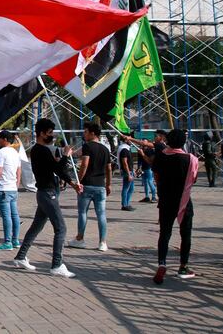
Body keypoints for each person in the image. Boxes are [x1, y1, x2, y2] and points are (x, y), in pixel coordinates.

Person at [13, 118, 83, 277]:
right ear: (42, 133)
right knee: (61, 228)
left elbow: (57, 170)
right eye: (50, 133)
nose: (52, 136)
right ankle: (57, 265)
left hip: (45, 193)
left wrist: (73, 184)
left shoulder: (41, 150)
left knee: (36, 227)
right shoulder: (41, 150)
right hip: (47, 194)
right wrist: (65, 156)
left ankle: (21, 256)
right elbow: (58, 169)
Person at [143, 128, 198, 284]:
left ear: (167, 140)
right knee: (185, 233)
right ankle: (183, 266)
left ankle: (162, 263)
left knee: (165, 233)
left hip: (166, 199)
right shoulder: (191, 159)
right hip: (184, 200)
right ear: (183, 142)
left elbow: (157, 176)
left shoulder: (161, 157)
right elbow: (192, 180)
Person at [68, 123, 112, 251]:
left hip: (87, 184)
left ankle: (80, 238)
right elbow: (109, 168)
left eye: (86, 131)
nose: (84, 134)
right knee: (101, 214)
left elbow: (85, 164)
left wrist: (78, 181)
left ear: (93, 133)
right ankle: (102, 242)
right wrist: (108, 184)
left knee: (82, 212)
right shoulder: (105, 149)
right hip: (101, 186)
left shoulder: (87, 147)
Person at [0, 130, 22, 250]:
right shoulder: (15, 152)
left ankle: (7, 242)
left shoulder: (1, 153)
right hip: (12, 188)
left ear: (5, 140)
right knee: (14, 215)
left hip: (2, 188)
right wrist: (17, 184)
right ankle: (15, 240)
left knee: (6, 216)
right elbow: (19, 170)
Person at [118, 134, 136, 211]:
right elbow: (125, 163)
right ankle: (124, 204)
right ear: (125, 140)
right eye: (130, 139)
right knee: (126, 188)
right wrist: (129, 174)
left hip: (130, 171)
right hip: (127, 172)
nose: (131, 141)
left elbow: (129, 162)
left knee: (131, 188)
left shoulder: (126, 148)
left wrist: (133, 170)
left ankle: (127, 203)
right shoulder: (124, 149)